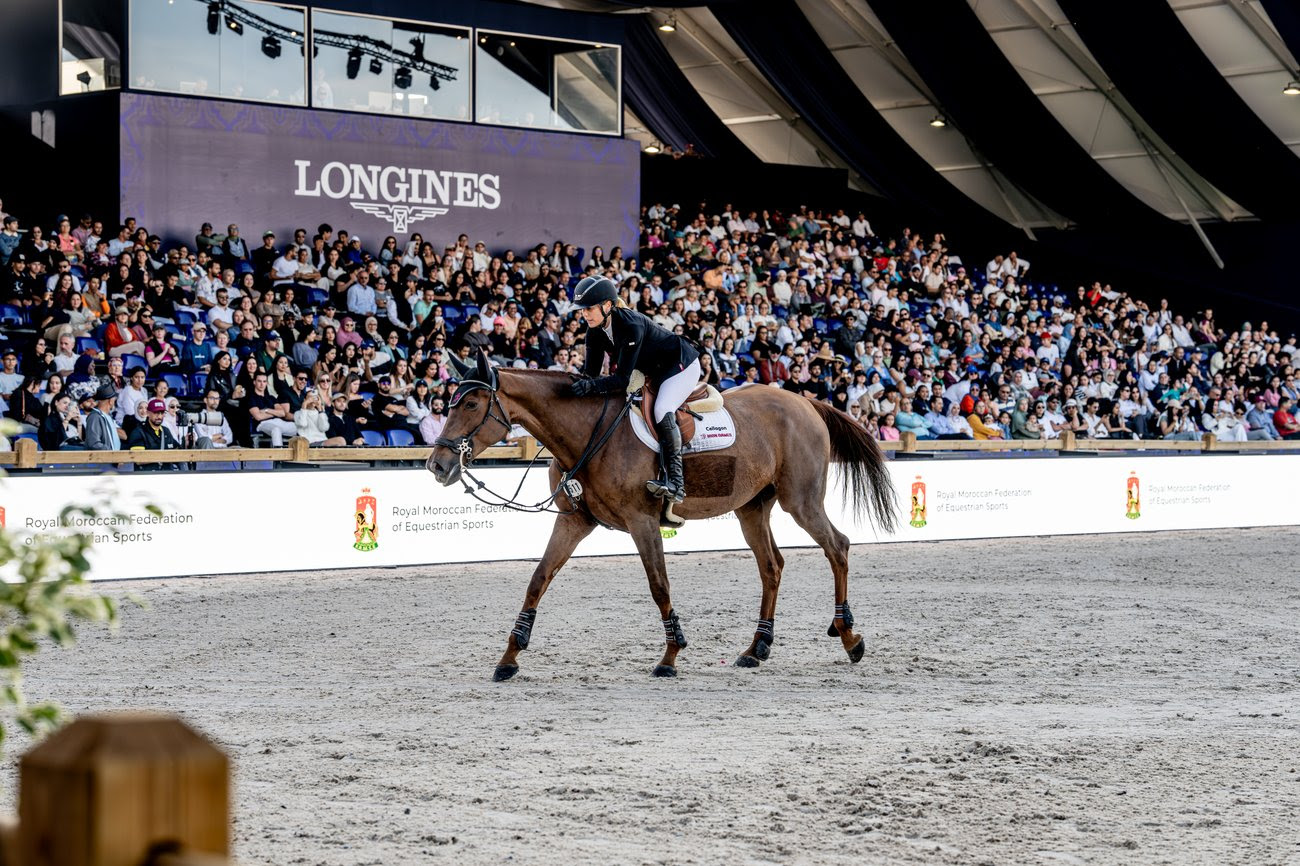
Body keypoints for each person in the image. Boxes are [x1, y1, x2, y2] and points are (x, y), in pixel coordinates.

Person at [567, 276, 701, 504]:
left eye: (589, 309)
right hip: (652, 371)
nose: (584, 315)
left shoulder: (631, 325)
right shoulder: (594, 331)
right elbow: (589, 374)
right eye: (582, 310)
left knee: (662, 409)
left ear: (607, 306)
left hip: (679, 365)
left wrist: (590, 385)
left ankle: (676, 484)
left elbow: (621, 380)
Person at [247, 371, 296, 446]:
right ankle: (279, 456)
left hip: (278, 421)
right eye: (259, 381)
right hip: (262, 424)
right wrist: (275, 413)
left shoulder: (271, 398)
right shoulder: (252, 398)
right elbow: (258, 417)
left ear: (267, 383)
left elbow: (282, 413)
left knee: (299, 427)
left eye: (264, 381)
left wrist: (266, 410)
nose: (262, 384)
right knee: (276, 429)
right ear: (254, 382)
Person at [83, 382, 122, 450]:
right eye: (114, 399)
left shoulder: (106, 416)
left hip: (113, 458)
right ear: (110, 401)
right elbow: (93, 443)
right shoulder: (95, 417)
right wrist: (111, 453)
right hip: (105, 459)